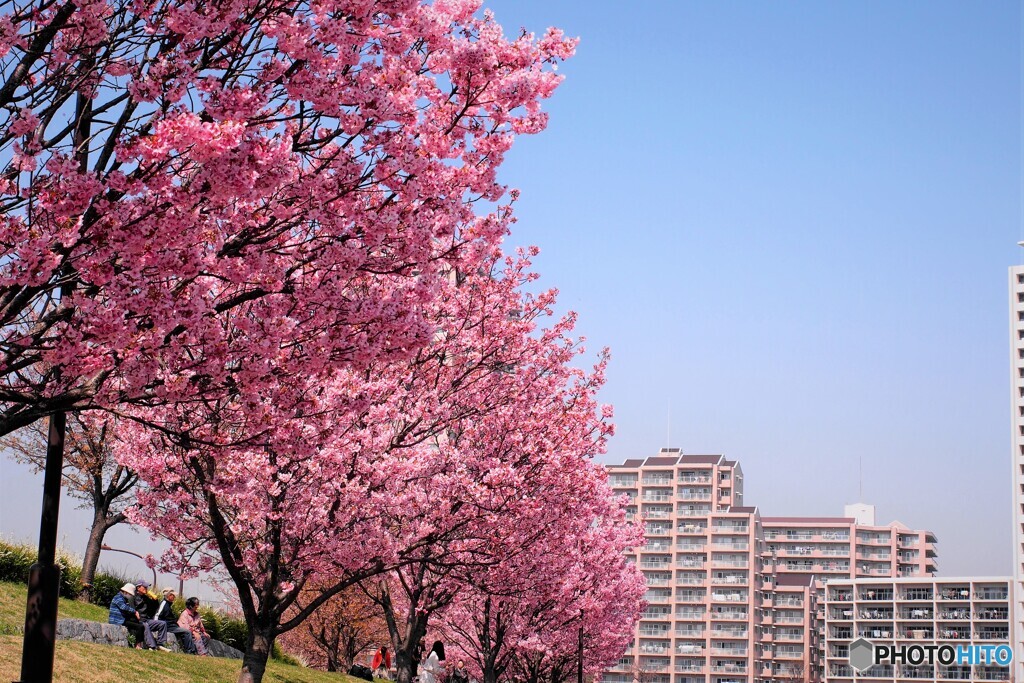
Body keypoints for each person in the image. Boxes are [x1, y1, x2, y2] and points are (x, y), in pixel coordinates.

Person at [155, 587, 197, 654]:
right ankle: (190, 651)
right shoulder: (164, 604)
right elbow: (157, 615)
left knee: (187, 632)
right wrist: (157, 626)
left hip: (172, 626)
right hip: (168, 626)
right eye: (173, 595)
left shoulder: (168, 604)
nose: (174, 597)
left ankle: (192, 651)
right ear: (169, 596)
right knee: (187, 632)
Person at [133, 580, 170, 651]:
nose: (146, 588)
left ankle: (160, 644)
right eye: (144, 587)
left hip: (146, 619)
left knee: (162, 623)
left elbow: (154, 608)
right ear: (138, 588)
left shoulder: (146, 598)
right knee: (145, 625)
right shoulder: (133, 597)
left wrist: (155, 600)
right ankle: (152, 646)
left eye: (146, 587)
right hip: (139, 621)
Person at [108, 583, 146, 649]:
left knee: (140, 625)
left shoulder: (123, 598)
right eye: (130, 594)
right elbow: (123, 607)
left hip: (122, 619)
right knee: (139, 626)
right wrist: (135, 611)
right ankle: (137, 645)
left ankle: (138, 643)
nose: (130, 596)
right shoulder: (118, 597)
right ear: (125, 592)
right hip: (117, 620)